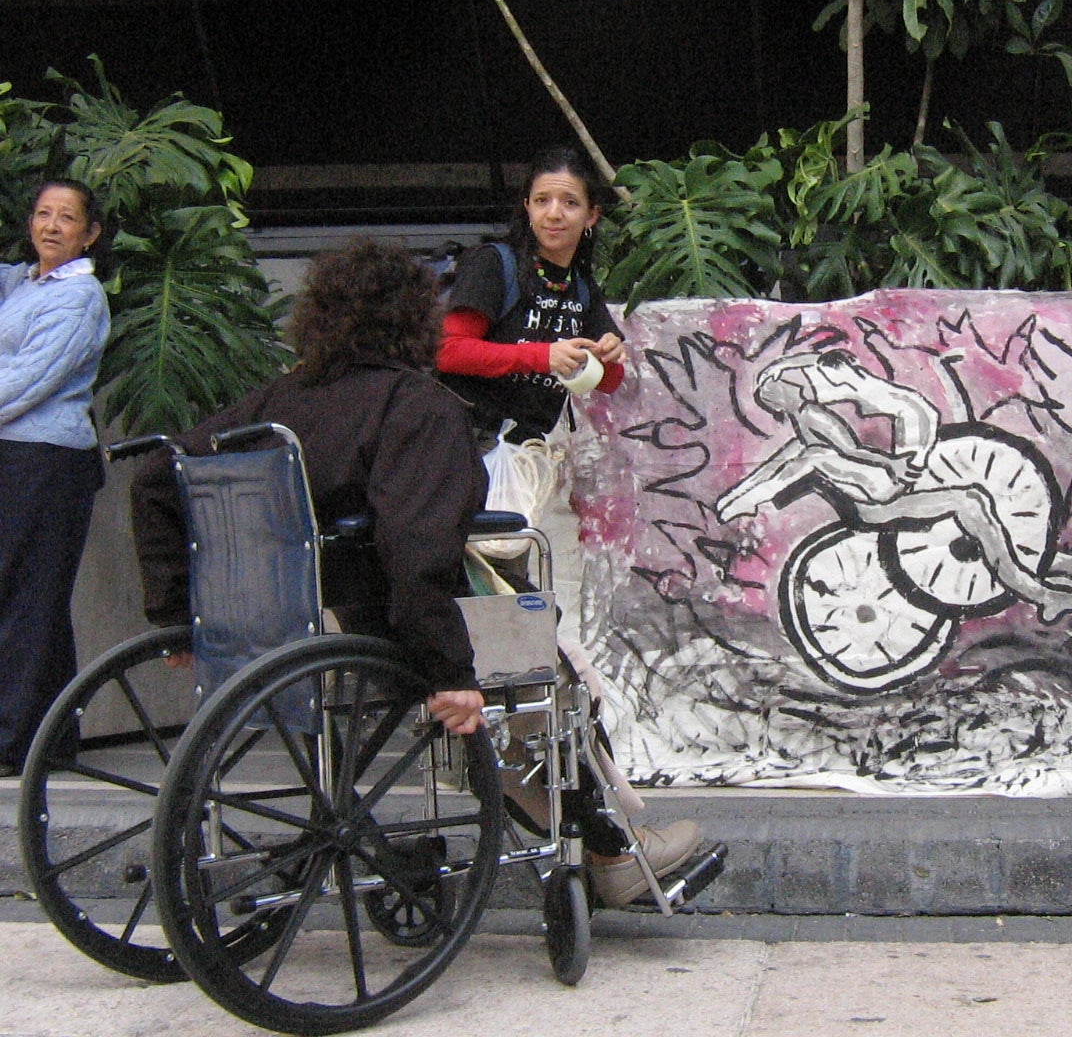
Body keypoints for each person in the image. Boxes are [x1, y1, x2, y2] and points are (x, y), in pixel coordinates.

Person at [131, 238, 697, 905]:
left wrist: (178, 620)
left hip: (285, 624)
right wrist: (449, 674)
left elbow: (153, 477)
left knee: (514, 642)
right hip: (393, 625)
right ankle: (607, 849)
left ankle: (603, 843)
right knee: (551, 665)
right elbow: (417, 551)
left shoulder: (274, 403)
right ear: (413, 320)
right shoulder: (416, 407)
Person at [715, 349, 1072, 622]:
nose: (791, 387)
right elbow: (817, 459)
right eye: (779, 388)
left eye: (783, 383)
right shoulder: (813, 420)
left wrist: (739, 497)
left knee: (974, 500)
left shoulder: (811, 416)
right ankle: (1042, 595)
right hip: (882, 499)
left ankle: (1044, 563)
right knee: (971, 504)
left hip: (884, 486)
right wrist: (743, 498)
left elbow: (802, 457)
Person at [0, 180, 112, 777]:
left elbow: (26, 382)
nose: (50, 226)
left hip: (45, 459)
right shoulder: (21, 283)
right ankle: (52, 738)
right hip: (18, 455)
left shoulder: (80, 295)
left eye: (66, 218)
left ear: (90, 233)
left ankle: (15, 741)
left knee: (26, 595)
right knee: (29, 593)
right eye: (42, 214)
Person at [436, 145, 626, 443]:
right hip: (467, 444)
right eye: (541, 201)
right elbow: (448, 353)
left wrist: (606, 356)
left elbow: (611, 381)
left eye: (570, 203)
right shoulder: (494, 263)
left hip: (530, 452)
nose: (554, 214)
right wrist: (544, 356)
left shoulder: (581, 286)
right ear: (527, 208)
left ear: (592, 216)